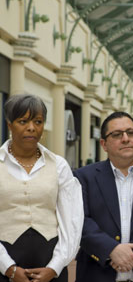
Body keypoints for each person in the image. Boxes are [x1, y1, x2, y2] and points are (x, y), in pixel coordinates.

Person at [74, 111, 133, 282]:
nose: (126, 138)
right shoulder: (83, 177)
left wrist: (132, 255)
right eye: (117, 134)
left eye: (131, 132)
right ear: (104, 144)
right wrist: (111, 250)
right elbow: (79, 221)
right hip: (96, 273)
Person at [0, 94, 84, 282]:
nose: (31, 127)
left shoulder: (59, 165)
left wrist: (54, 268)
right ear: (9, 125)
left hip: (50, 263)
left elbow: (72, 221)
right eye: (23, 121)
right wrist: (9, 268)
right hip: (4, 264)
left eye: (38, 121)